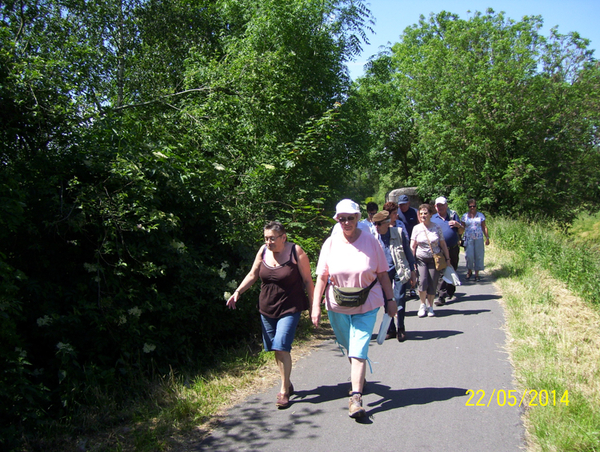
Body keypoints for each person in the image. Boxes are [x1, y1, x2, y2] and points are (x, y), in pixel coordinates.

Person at [311, 199, 397, 419]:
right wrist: (315, 306)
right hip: (336, 304)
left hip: (367, 303)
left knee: (358, 349)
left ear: (358, 218)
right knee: (349, 346)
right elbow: (322, 277)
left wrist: (391, 300)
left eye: (350, 218)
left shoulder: (371, 241)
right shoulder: (330, 243)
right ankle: (359, 376)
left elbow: (382, 274)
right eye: (342, 218)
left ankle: (356, 397)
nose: (346, 222)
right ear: (337, 220)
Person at [227, 221, 314, 409]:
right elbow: (252, 275)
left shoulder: (296, 252)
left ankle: (283, 390)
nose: (268, 242)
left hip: (290, 307)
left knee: (282, 345)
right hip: (267, 308)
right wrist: (238, 292)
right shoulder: (263, 251)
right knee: (276, 348)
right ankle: (287, 381)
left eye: (272, 238)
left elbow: (308, 281)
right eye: (266, 238)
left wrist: (314, 306)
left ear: (283, 237)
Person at [372, 210, 416, 342]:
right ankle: (390, 329)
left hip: (399, 269)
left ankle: (401, 328)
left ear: (387, 223)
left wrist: (413, 271)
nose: (376, 227)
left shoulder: (399, 233)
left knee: (399, 297)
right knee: (387, 300)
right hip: (383, 272)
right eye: (375, 224)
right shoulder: (373, 236)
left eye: (379, 224)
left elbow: (408, 252)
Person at [411, 204, 451, 317]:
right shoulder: (416, 228)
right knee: (423, 281)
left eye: (425, 213)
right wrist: (411, 261)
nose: (423, 215)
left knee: (433, 282)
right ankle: (422, 304)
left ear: (430, 214)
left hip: (434, 259)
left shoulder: (437, 227)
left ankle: (430, 306)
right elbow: (412, 246)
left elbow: (443, 244)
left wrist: (447, 259)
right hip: (421, 259)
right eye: (421, 213)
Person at [431, 196, 464, 305]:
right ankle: (441, 296)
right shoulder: (433, 219)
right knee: (441, 271)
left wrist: (458, 225)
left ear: (446, 206)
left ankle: (450, 290)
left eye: (442, 205)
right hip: (440, 250)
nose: (440, 207)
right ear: (435, 207)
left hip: (453, 248)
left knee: (452, 268)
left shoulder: (453, 216)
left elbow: (461, 231)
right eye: (438, 205)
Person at [461, 199, 490, 281]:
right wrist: (459, 238)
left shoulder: (480, 215)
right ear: (468, 207)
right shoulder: (465, 216)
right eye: (470, 206)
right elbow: (462, 228)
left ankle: (477, 274)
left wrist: (487, 237)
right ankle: (469, 271)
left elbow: (484, 226)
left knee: (478, 256)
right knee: (469, 256)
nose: (472, 208)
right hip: (468, 238)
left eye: (474, 206)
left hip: (479, 238)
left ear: (476, 206)